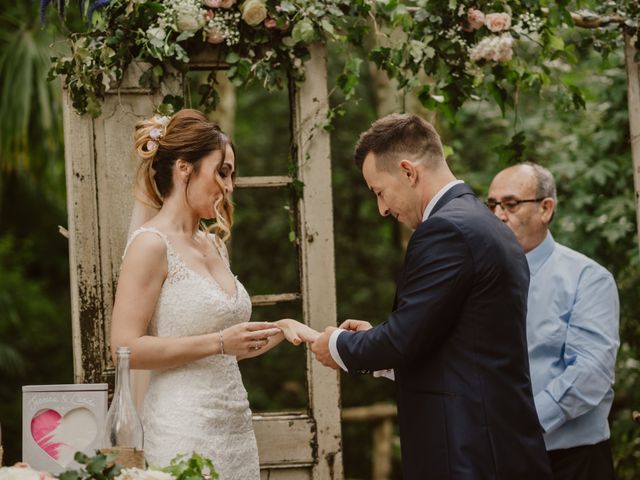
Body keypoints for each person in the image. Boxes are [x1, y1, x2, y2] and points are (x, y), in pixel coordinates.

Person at [311, 113, 552, 479]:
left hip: (467, 453)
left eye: (379, 191)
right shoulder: (487, 224)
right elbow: (456, 345)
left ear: (408, 171)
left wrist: (339, 344)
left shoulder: (445, 230)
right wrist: (379, 352)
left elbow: (403, 338)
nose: (382, 208)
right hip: (499, 446)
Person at [110, 109, 319, 478]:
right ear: (184, 168)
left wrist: (282, 326)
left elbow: (228, 345)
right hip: (182, 427)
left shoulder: (213, 245)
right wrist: (220, 343)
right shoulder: (151, 246)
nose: (229, 185)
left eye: (232, 174)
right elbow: (125, 347)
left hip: (235, 428)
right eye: (221, 171)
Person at [488, 163, 620, 480]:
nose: (497, 215)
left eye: (510, 204)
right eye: (491, 205)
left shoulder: (587, 278)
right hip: (497, 459)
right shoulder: (481, 280)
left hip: (572, 462)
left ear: (546, 209)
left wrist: (521, 423)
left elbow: (591, 372)